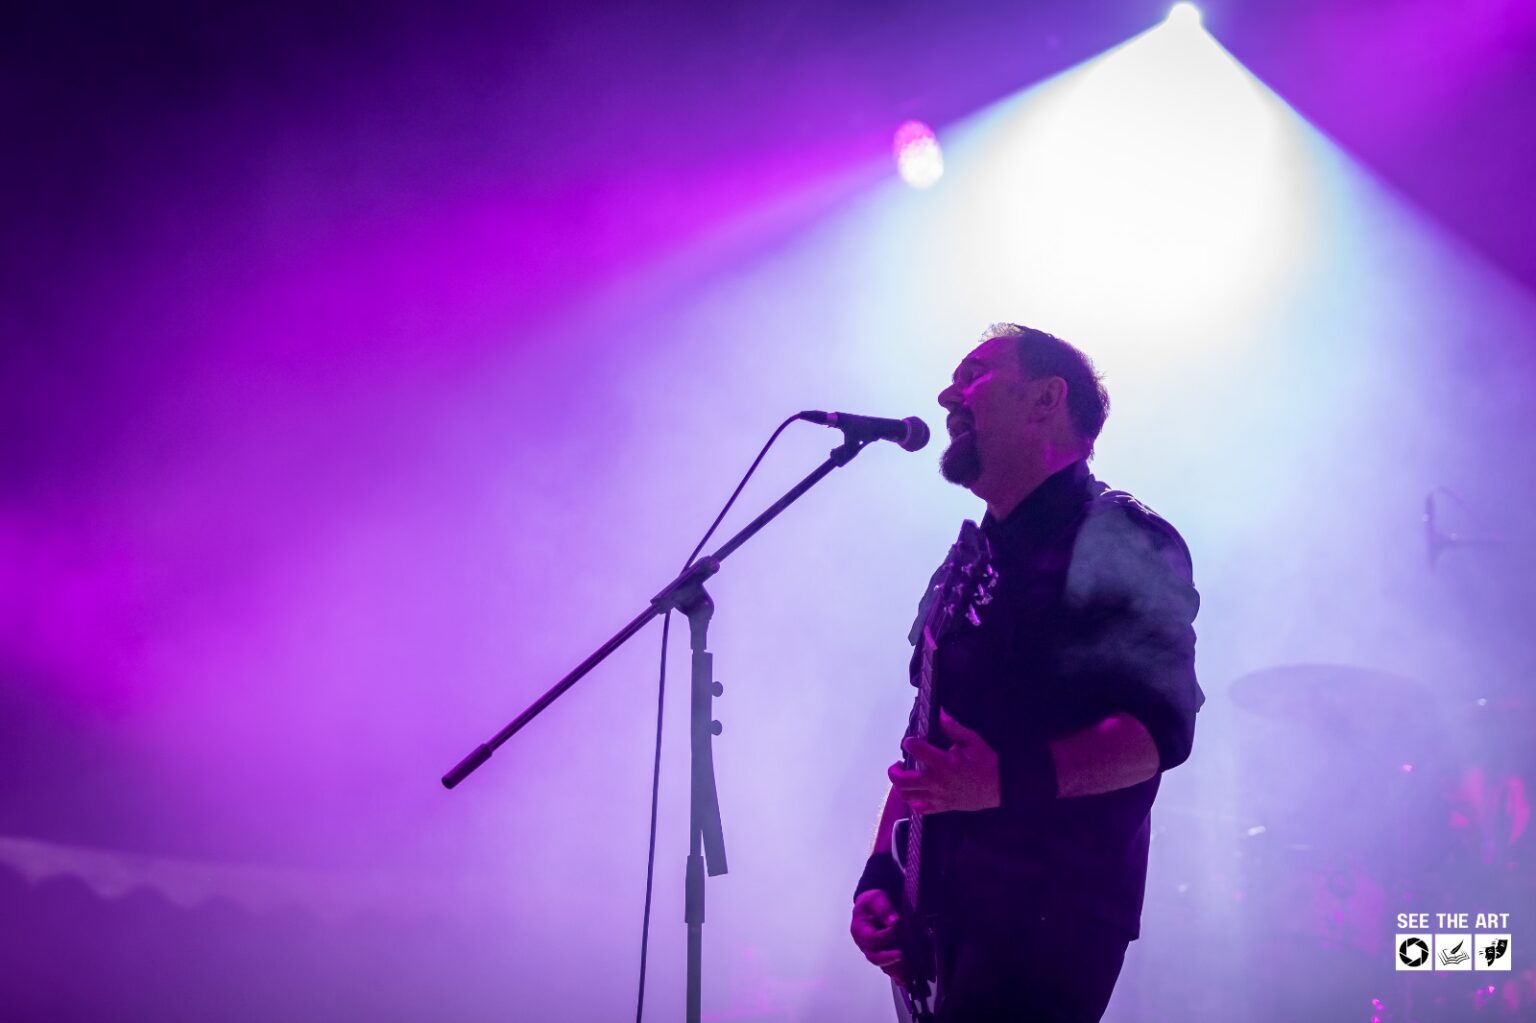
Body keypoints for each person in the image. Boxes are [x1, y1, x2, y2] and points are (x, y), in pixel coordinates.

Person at [849, 323, 1204, 1022]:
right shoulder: (967, 561)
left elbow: (1156, 733)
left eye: (973, 375)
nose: (947, 395)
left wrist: (1005, 780)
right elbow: (923, 744)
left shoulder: (1118, 535)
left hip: (1048, 921)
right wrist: (883, 873)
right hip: (943, 926)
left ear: (1046, 398)